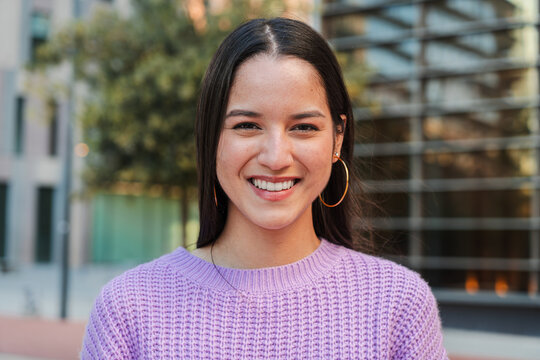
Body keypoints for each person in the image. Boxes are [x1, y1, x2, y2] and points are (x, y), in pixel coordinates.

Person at [81, 18, 448, 359]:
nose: (276, 157)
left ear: (338, 139)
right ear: (212, 137)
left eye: (303, 127)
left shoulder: (398, 305)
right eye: (247, 126)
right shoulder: (128, 308)